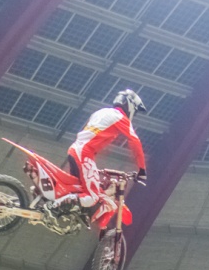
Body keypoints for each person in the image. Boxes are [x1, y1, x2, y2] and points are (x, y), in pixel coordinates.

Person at [52, 89, 147, 221]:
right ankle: (55, 205)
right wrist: (142, 169)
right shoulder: (121, 117)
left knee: (79, 189)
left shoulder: (101, 112)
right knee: (93, 197)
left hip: (76, 149)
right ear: (130, 105)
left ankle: (66, 211)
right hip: (85, 154)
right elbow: (135, 142)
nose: (134, 114)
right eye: (135, 111)